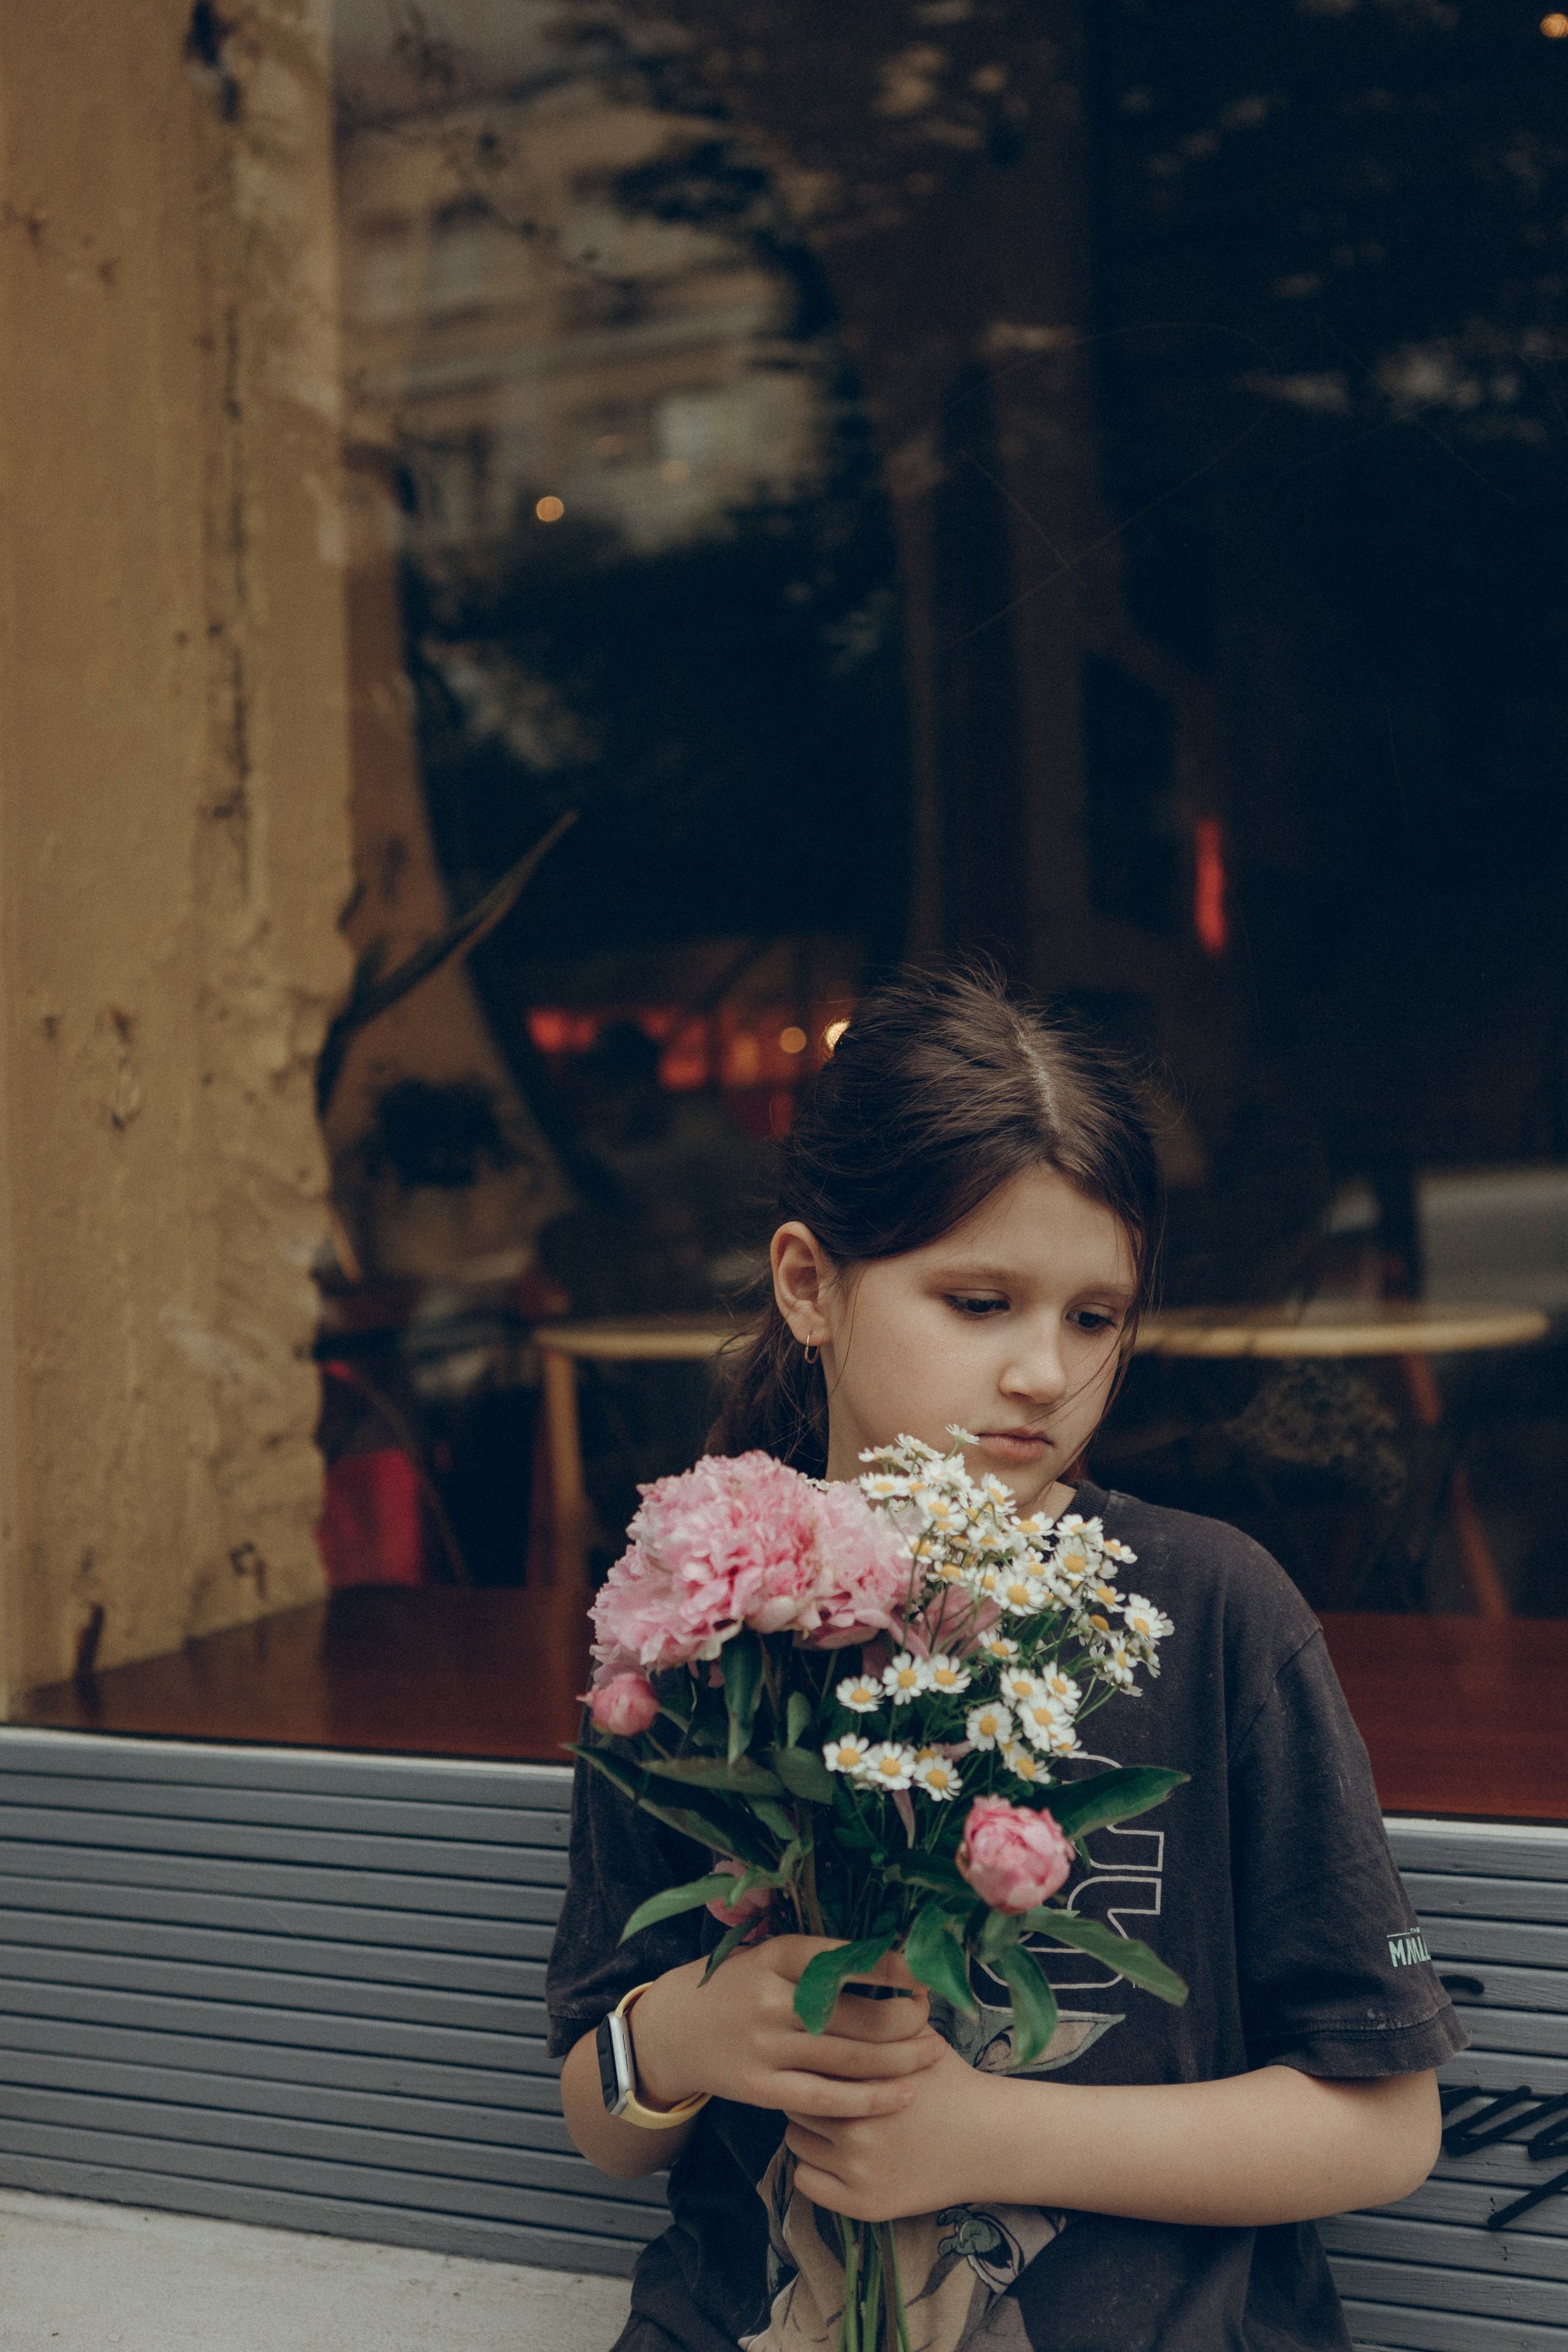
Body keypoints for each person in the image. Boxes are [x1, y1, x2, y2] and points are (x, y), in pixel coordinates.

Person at [546, 968, 1461, 2352]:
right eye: (977, 1302)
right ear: (809, 1285)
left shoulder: (1207, 1612)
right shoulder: (697, 1610)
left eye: (1093, 1318)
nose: (1043, 1369)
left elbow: (1384, 2125)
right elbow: (604, 2116)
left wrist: (986, 2137)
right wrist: (681, 2036)